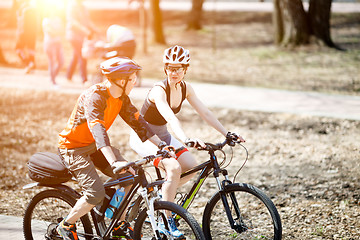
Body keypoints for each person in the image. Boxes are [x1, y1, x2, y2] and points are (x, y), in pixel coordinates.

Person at [129, 45, 245, 235]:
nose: (174, 72)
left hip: (163, 136)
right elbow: (171, 118)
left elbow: (205, 112)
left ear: (186, 69)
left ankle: (161, 196)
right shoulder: (159, 90)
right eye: (170, 67)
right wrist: (186, 139)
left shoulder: (185, 88)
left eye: (179, 68)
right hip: (144, 138)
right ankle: (168, 221)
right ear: (165, 68)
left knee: (191, 166)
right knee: (174, 168)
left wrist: (227, 133)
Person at [57, 57, 175, 240]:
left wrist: (161, 145)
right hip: (73, 148)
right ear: (122, 81)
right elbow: (98, 131)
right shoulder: (95, 97)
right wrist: (113, 162)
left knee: (129, 177)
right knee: (95, 193)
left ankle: (117, 224)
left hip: (94, 147)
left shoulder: (120, 97)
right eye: (133, 77)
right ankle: (65, 225)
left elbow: (138, 123)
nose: (135, 81)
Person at [65, 0, 97, 84]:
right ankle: (84, 79)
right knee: (82, 55)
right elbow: (73, 22)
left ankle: (68, 75)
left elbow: (87, 21)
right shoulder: (72, 6)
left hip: (82, 36)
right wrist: (85, 30)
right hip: (74, 35)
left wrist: (94, 28)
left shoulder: (83, 7)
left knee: (76, 55)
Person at [42, 1, 64, 86]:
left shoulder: (58, 19)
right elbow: (50, 31)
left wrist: (56, 31)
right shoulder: (46, 20)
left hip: (58, 42)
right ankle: (53, 80)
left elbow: (61, 30)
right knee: (52, 61)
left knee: (61, 62)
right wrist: (56, 31)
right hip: (49, 43)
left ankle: (52, 77)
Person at [15, 0, 38, 74]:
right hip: (32, 33)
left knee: (18, 50)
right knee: (31, 50)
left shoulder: (22, 9)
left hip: (23, 33)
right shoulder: (33, 9)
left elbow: (21, 22)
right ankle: (31, 66)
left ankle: (28, 63)